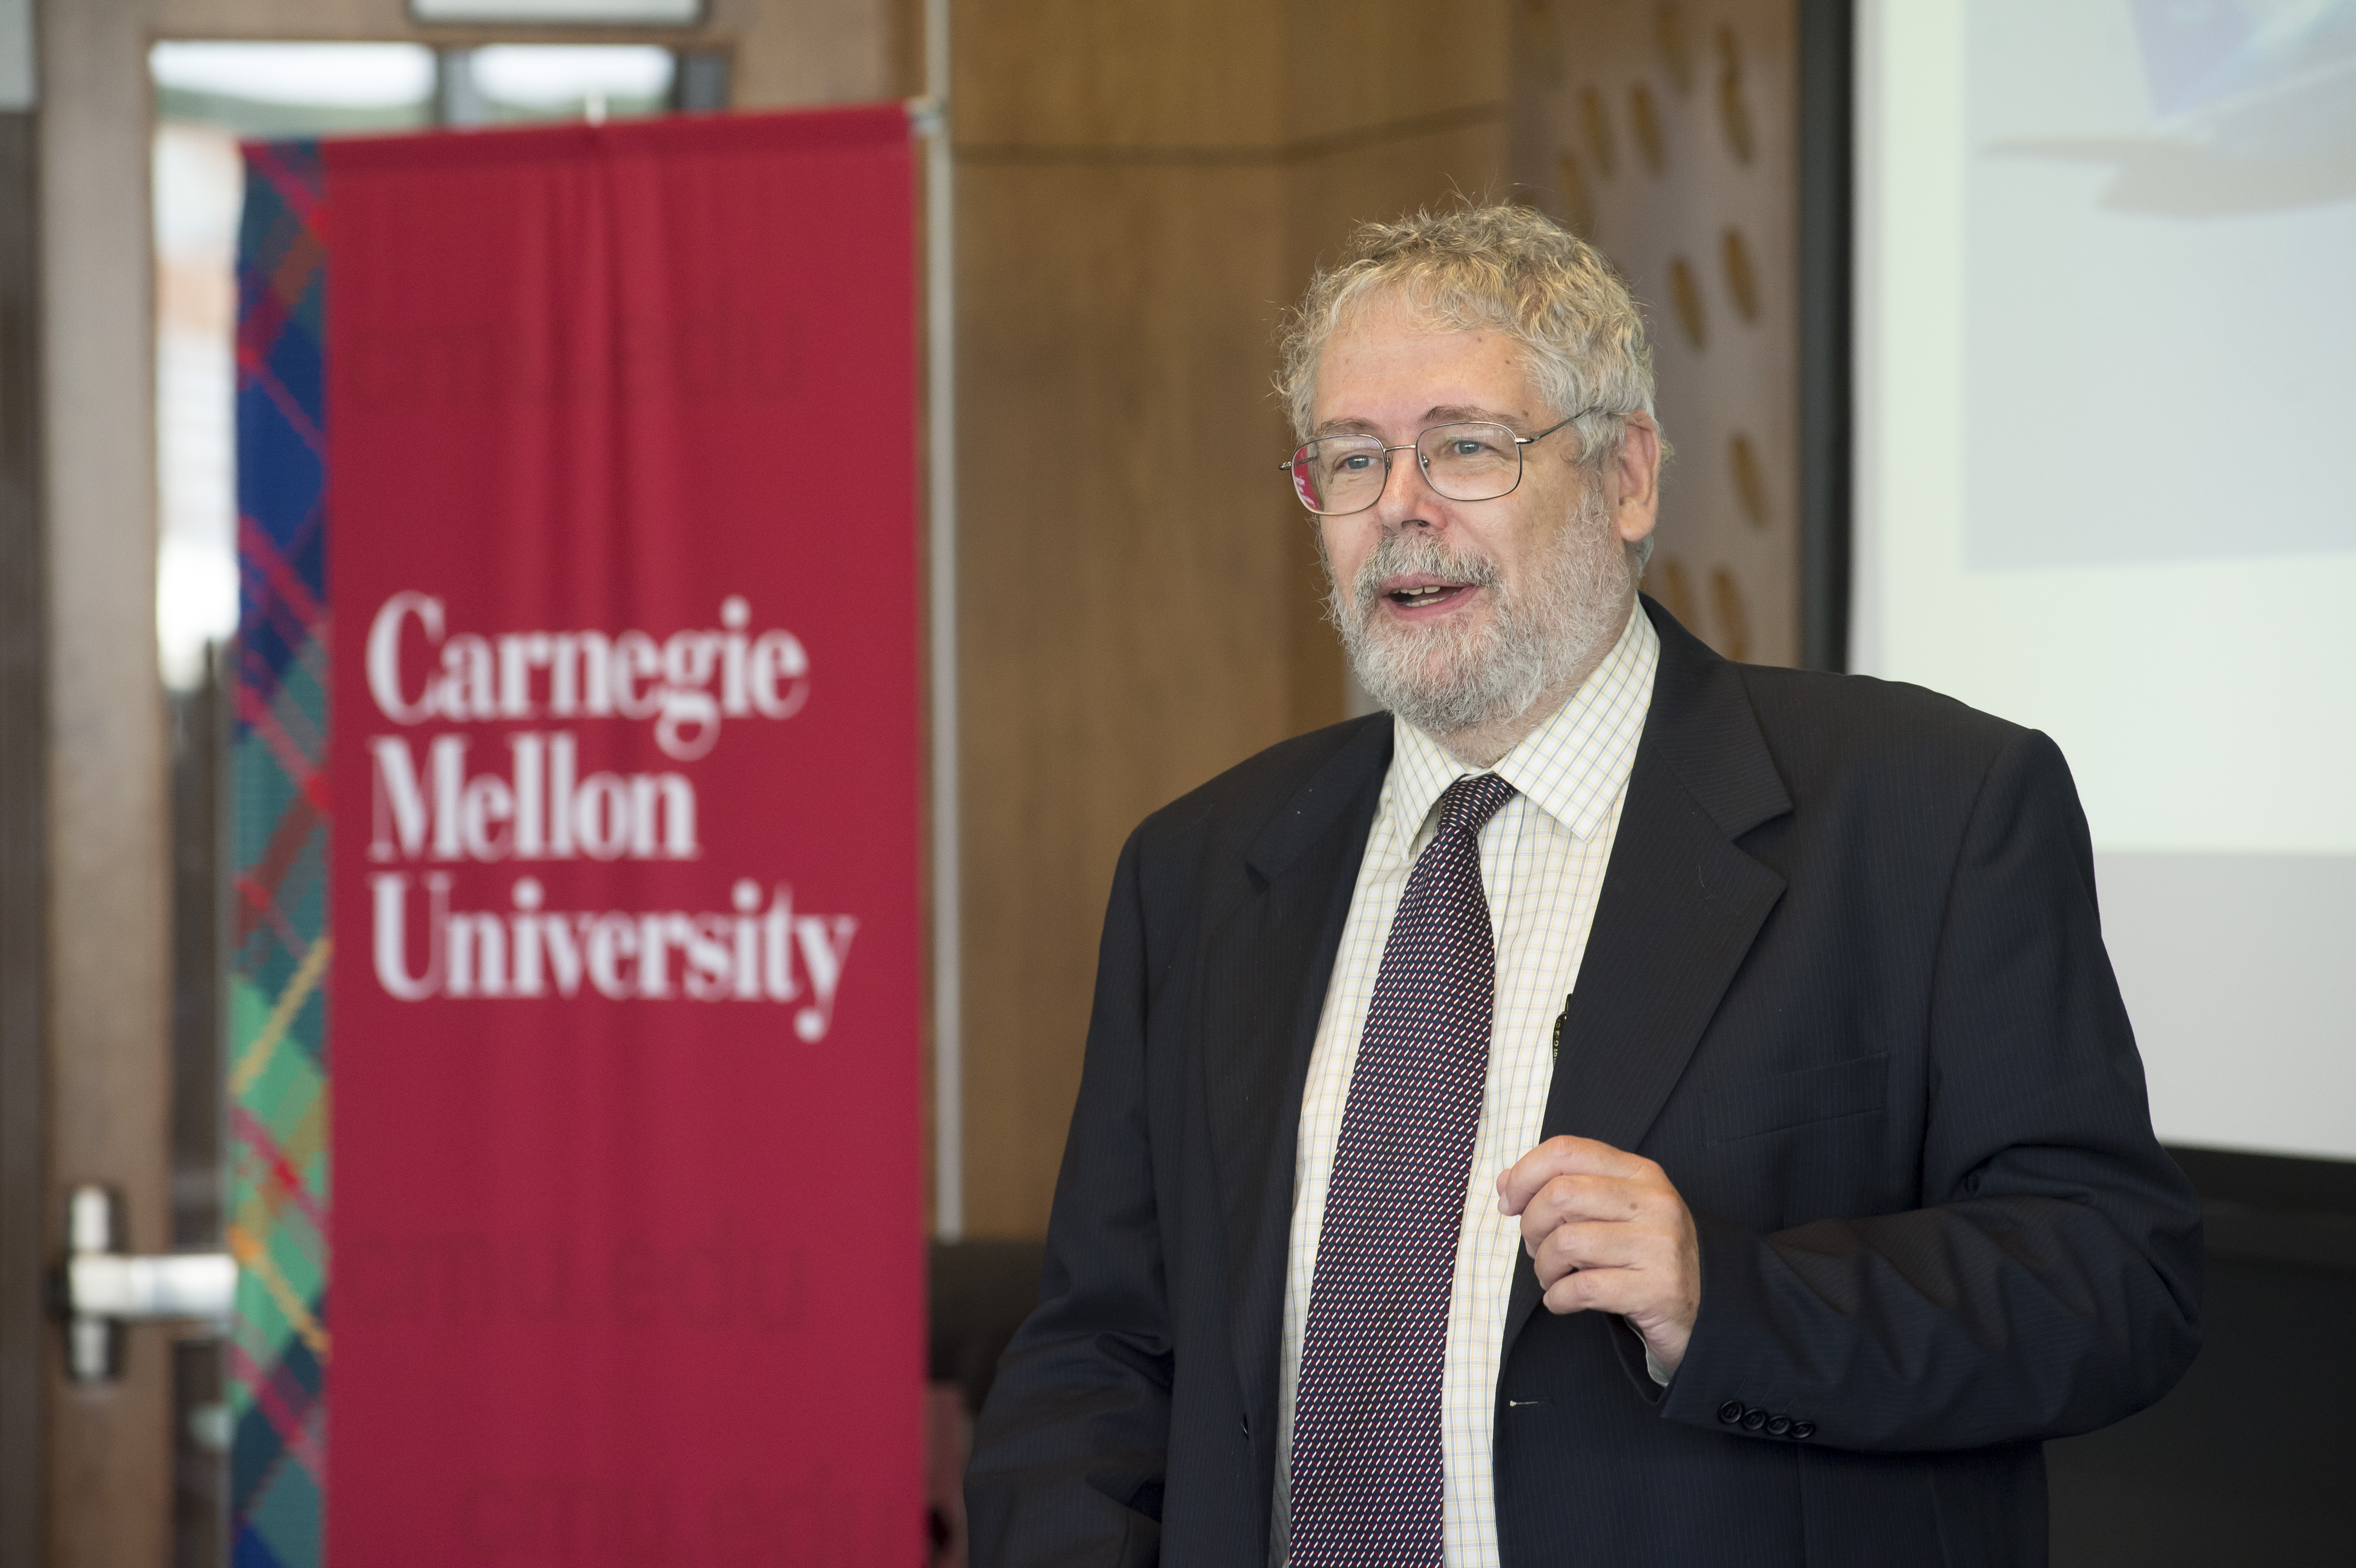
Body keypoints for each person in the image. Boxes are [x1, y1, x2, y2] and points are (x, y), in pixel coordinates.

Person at [963, 204, 2201, 1567]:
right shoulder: (1200, 868)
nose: (1401, 510)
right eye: (1352, 458)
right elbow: (1098, 1352)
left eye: (1466, 447)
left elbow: (2110, 1284)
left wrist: (1733, 1295)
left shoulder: (1928, 812)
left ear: (1627, 479)